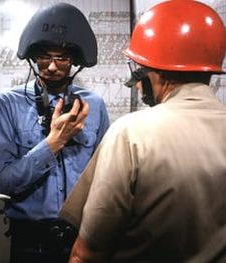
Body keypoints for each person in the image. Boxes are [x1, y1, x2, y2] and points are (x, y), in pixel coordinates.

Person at [59, 0, 226, 262]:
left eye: (139, 70)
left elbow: (87, 253)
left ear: (155, 74)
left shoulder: (132, 133)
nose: (136, 85)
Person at [0, 3, 109, 263]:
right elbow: (2, 183)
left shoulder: (95, 106)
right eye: (44, 57)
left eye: (62, 58)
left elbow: (105, 179)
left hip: (83, 237)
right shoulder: (6, 104)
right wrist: (54, 143)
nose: (52, 67)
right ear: (34, 57)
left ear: (74, 61)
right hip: (31, 244)